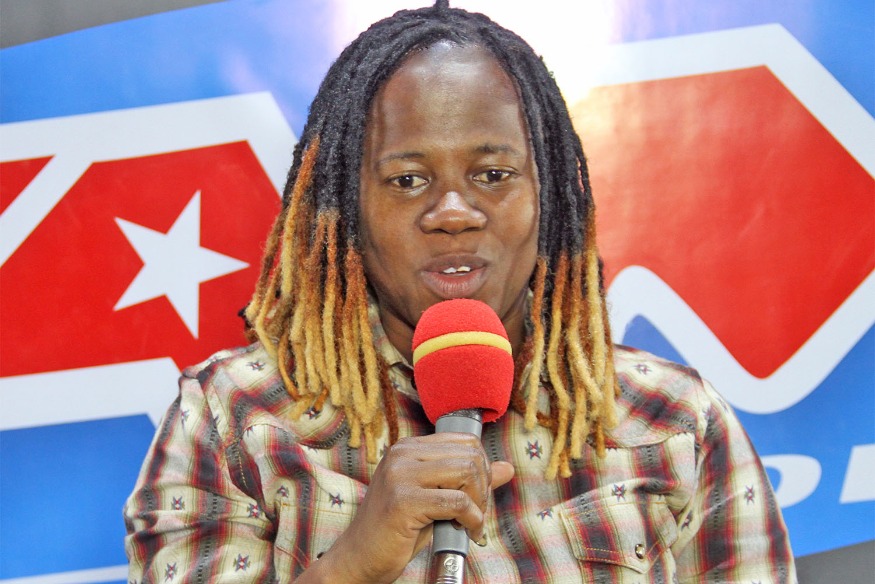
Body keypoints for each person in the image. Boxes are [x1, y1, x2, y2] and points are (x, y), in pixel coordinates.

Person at [124, 2, 797, 582]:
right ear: (346, 209)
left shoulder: (672, 418)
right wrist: (354, 563)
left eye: (493, 174)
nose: (453, 211)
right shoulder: (236, 416)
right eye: (407, 180)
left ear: (548, 197)